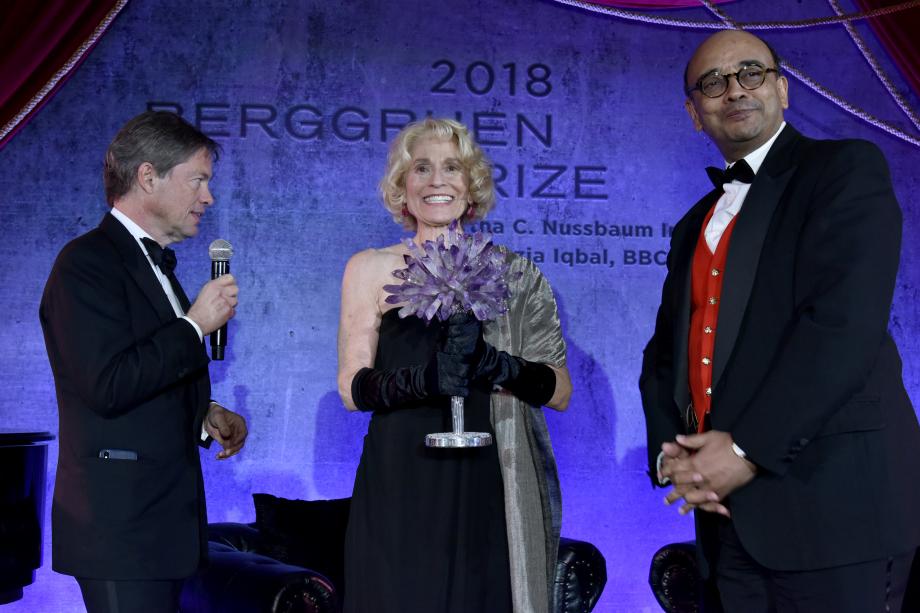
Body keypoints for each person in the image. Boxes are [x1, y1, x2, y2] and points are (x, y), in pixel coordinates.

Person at [640, 29, 920, 612]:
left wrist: (743, 451)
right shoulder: (695, 220)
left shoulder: (844, 169)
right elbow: (665, 352)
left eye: (751, 73)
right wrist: (675, 452)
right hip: (727, 521)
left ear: (783, 90)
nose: (735, 91)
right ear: (694, 113)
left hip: (835, 504)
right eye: (712, 84)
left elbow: (842, 326)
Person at [337, 117, 572, 613]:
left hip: (488, 476)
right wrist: (426, 379)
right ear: (402, 186)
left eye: (452, 168)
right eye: (421, 168)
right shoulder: (370, 267)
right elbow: (351, 389)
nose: (436, 180)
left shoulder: (516, 275)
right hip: (401, 477)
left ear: (472, 187)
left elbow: (560, 391)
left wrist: (496, 365)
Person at [39, 111, 248, 613]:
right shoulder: (86, 264)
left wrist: (203, 413)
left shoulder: (154, 265)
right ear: (148, 176)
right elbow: (107, 384)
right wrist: (195, 326)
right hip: (120, 530)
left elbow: (146, 375)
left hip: (161, 527)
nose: (208, 198)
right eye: (198, 180)